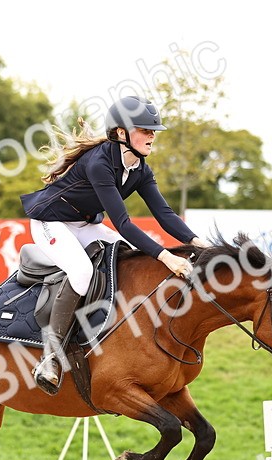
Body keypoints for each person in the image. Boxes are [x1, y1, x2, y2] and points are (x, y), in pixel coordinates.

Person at [19, 95, 207, 394]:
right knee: (82, 272)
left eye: (153, 130)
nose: (152, 135)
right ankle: (50, 357)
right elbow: (123, 223)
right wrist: (166, 258)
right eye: (145, 130)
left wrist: (199, 243)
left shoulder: (140, 169)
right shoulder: (99, 163)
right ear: (122, 133)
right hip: (50, 221)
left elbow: (164, 214)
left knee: (128, 258)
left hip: (85, 224)